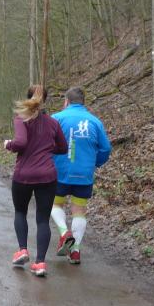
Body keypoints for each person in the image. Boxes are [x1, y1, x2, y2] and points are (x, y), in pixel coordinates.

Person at [3, 85, 68, 277]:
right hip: (47, 176)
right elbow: (63, 148)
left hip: (24, 175)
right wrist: (46, 149)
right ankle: (40, 263)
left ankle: (22, 250)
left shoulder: (21, 118)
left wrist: (8, 144)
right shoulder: (53, 122)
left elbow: (21, 142)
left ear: (27, 98)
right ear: (45, 100)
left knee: (20, 212)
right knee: (42, 219)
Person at [50, 86, 112, 265]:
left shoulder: (56, 118)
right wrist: (95, 163)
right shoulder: (95, 121)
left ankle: (64, 233)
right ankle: (75, 250)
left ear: (66, 101)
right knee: (79, 211)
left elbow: (46, 144)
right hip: (84, 174)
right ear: (83, 103)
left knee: (55, 204)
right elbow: (106, 148)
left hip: (60, 172)